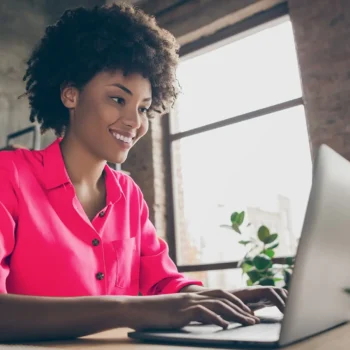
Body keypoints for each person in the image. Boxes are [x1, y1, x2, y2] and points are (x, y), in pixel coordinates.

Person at [0, 3, 287, 342]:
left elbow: (165, 285)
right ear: (70, 94)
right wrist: (125, 309)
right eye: (118, 99)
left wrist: (222, 300)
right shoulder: (10, 176)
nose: (135, 123)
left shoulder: (129, 196)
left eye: (143, 108)